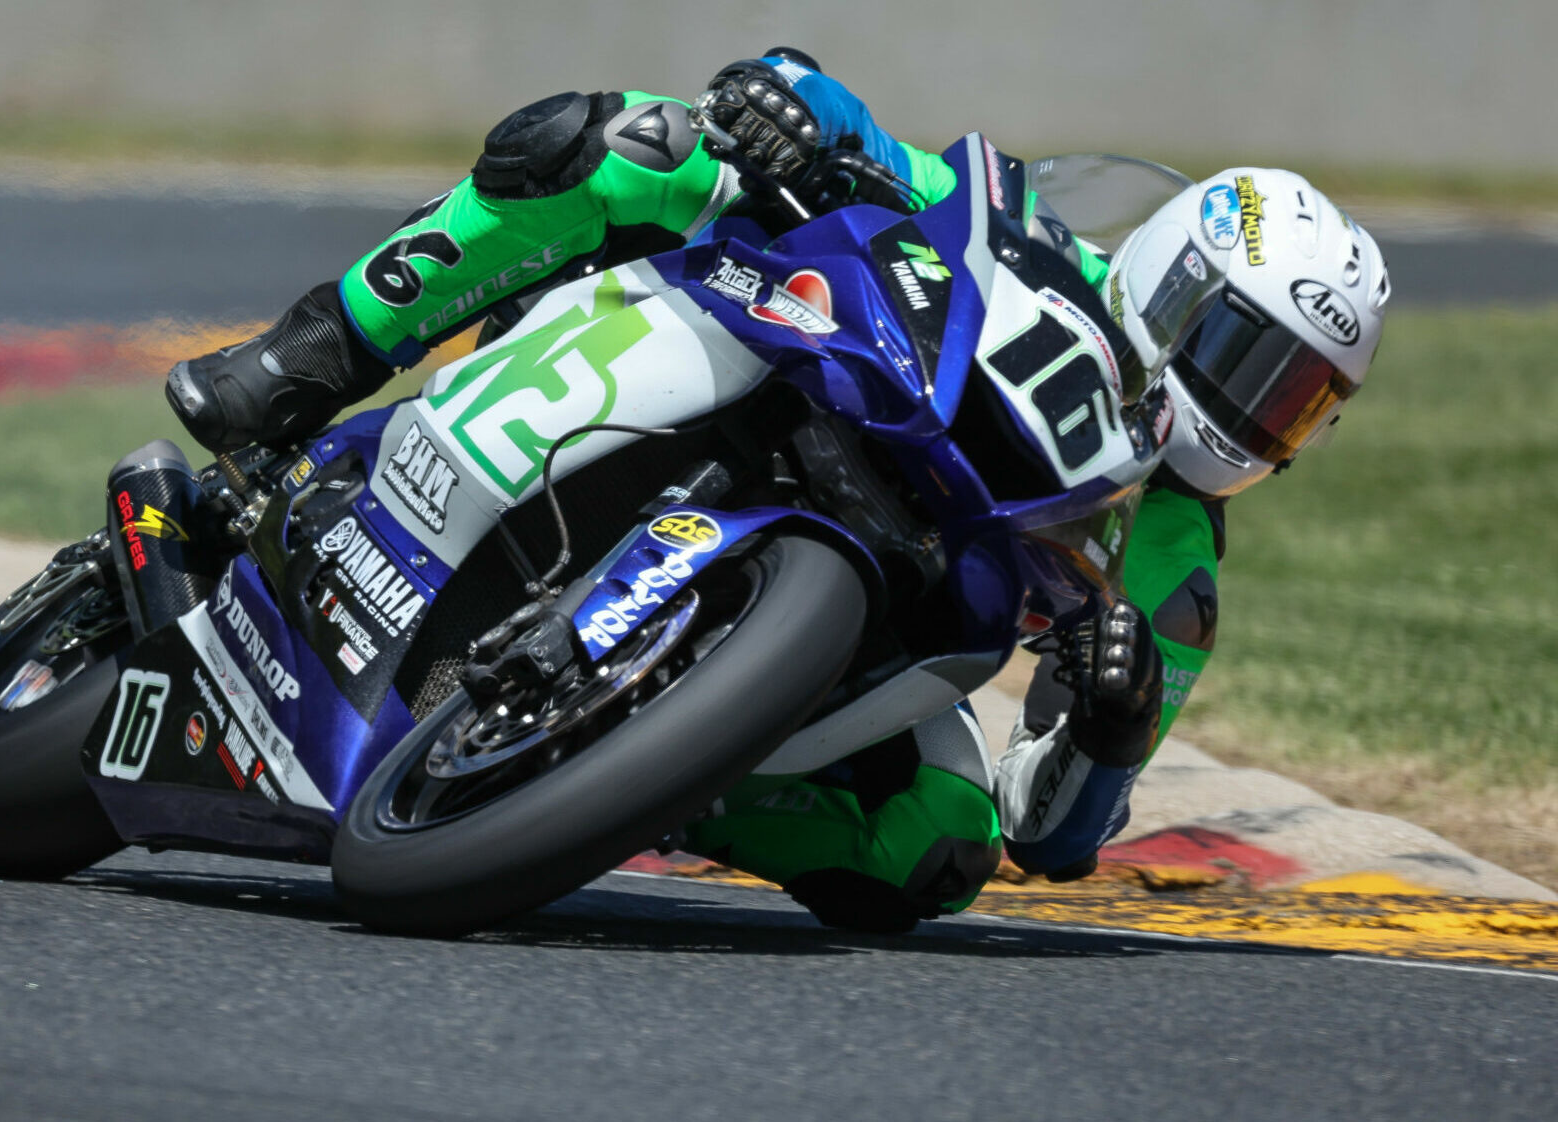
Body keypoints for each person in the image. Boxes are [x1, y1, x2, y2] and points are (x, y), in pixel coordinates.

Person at [165, 52, 1391, 932]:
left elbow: (1047, 828)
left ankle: (633, 775)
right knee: (629, 140)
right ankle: (310, 355)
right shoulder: (1037, 238)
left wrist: (1112, 742)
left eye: (1299, 402)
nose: (1255, 413)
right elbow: (861, 131)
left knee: (941, 842)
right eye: (1248, 360)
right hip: (784, 368)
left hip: (877, 631)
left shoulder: (1175, 563)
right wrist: (789, 109)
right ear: (1173, 274)